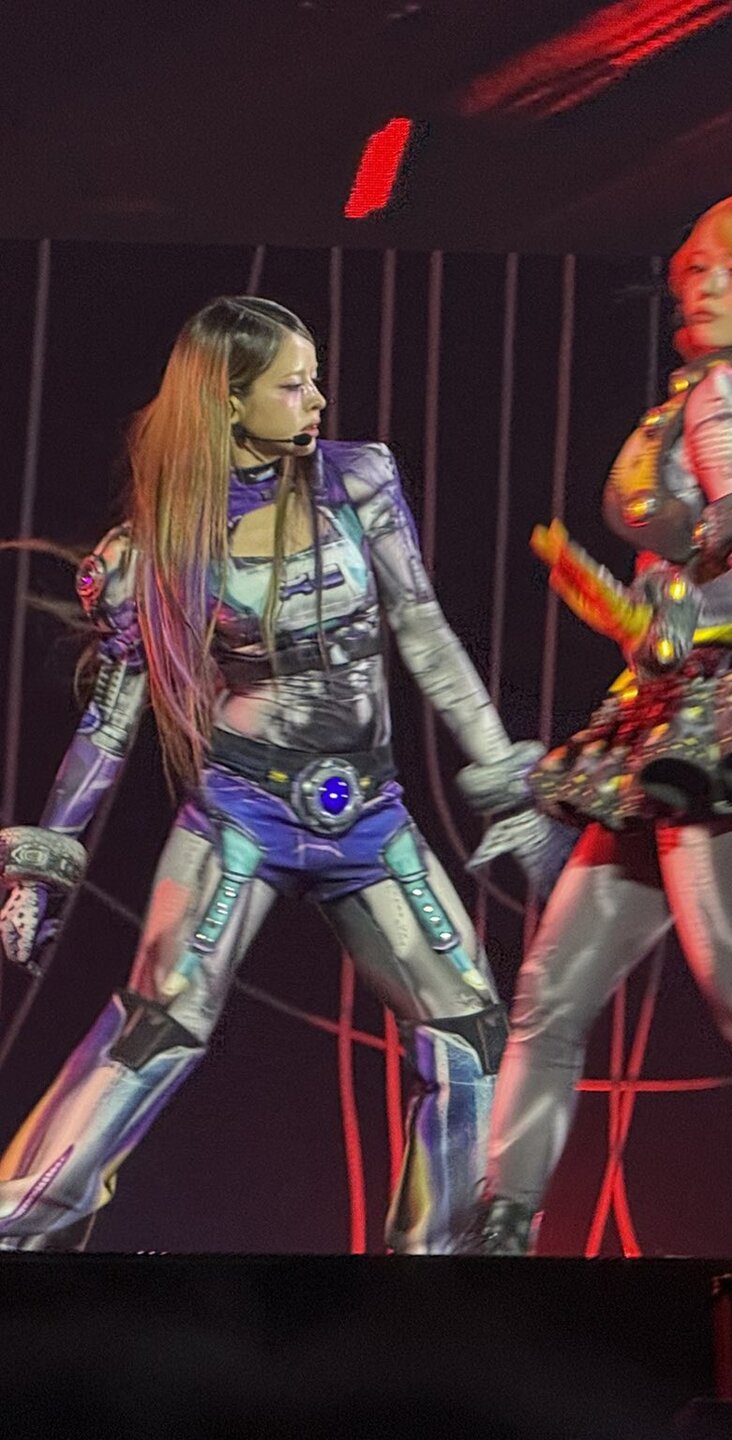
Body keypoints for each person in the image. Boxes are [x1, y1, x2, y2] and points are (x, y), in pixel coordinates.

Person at [0, 296, 564, 1253]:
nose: (318, 399)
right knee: (161, 1022)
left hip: (369, 811)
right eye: (294, 385)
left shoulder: (360, 478)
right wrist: (44, 861)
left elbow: (424, 630)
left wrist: (501, 771)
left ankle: (443, 1267)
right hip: (241, 811)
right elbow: (113, 719)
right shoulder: (157, 544)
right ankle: (18, 1234)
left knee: (470, 1029)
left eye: (314, 379)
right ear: (229, 400)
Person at [461, 191, 732, 1277]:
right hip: (685, 728)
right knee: (552, 997)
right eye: (696, 270)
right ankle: (498, 1233)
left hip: (714, 727)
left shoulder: (731, 397)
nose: (704, 288)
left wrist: (679, 623)